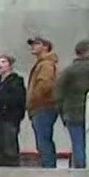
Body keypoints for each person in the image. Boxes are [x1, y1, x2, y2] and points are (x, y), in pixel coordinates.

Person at [55, 39, 89, 169]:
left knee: (78, 144)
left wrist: (62, 113)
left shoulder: (68, 71)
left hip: (72, 113)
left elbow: (58, 94)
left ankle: (80, 171)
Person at [0, 55, 28, 167]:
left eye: (3, 62)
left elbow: (17, 100)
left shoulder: (16, 81)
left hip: (9, 118)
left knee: (9, 144)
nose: (0, 65)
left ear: (10, 65)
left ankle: (11, 164)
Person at [27, 36, 61, 167]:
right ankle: (48, 165)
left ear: (45, 47)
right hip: (42, 107)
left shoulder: (46, 64)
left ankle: (48, 167)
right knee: (43, 140)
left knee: (43, 140)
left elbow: (45, 84)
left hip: (43, 107)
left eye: (37, 44)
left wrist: (34, 99)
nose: (33, 47)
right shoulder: (42, 64)